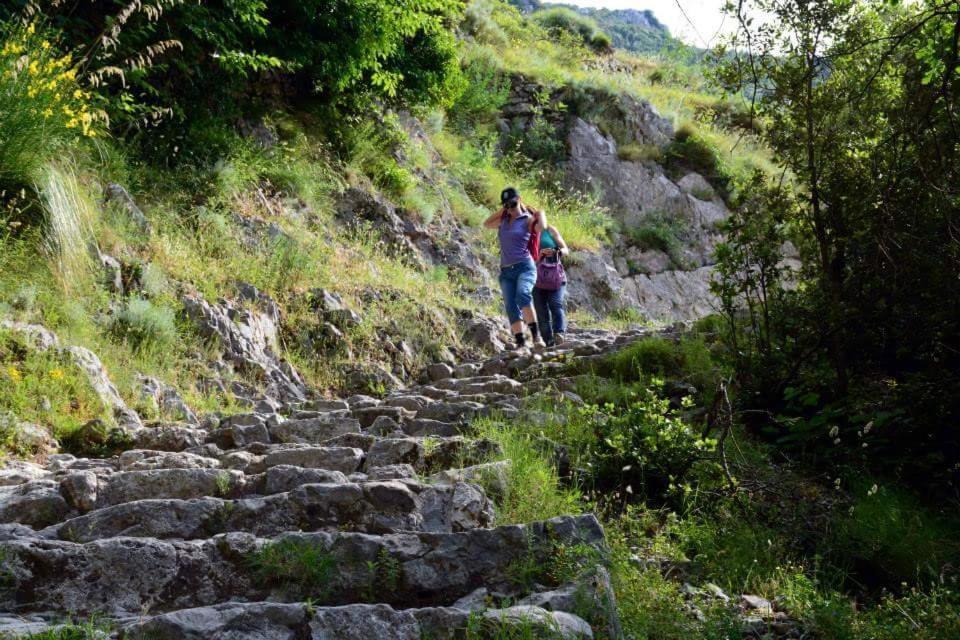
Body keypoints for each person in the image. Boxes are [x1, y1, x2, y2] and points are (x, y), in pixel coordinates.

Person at [483, 187, 547, 351]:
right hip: (506, 272)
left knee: (523, 295)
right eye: (506, 205)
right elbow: (486, 223)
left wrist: (542, 213)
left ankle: (536, 337)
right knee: (511, 306)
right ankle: (520, 343)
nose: (509, 208)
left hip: (524, 267)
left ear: (519, 199)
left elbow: (542, 227)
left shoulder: (528, 220)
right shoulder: (503, 220)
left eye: (512, 203)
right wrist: (503, 209)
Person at [533, 225, 569, 347]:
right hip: (535, 279)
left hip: (556, 277)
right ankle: (548, 342)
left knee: (555, 303)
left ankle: (559, 333)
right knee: (541, 311)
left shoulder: (550, 230)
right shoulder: (523, 234)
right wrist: (539, 255)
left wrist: (556, 251)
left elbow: (566, 250)